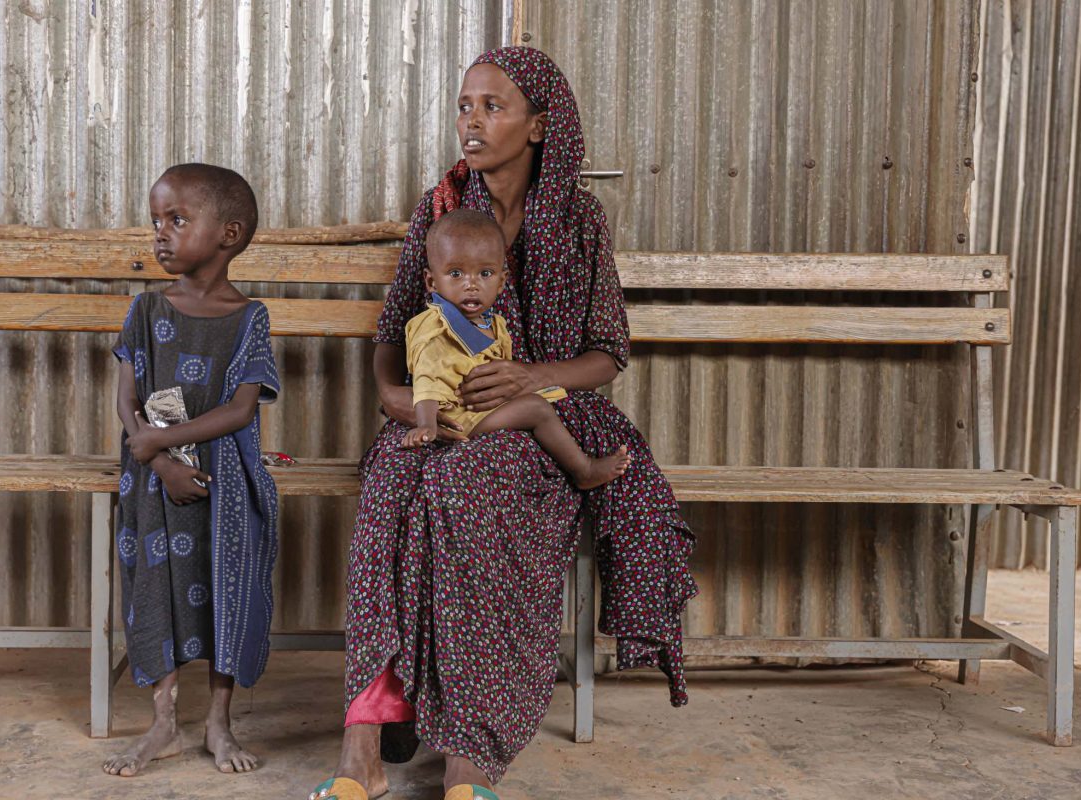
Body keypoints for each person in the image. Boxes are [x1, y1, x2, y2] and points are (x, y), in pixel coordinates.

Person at [310, 47, 698, 800]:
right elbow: (393, 331)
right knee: (394, 479)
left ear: (541, 124)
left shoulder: (578, 218)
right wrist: (393, 397)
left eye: (492, 106)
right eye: (464, 105)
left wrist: (535, 376)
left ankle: (471, 756)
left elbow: (607, 353)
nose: (472, 121)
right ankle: (362, 741)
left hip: (538, 419)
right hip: (438, 409)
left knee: (473, 486)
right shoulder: (441, 208)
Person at [101, 163, 280, 778]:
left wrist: (160, 445)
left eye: (177, 220)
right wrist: (150, 453)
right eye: (156, 221)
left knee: (224, 587)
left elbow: (238, 410)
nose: (160, 233)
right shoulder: (147, 310)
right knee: (157, 587)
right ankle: (163, 724)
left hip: (224, 479)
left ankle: (218, 722)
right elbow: (126, 395)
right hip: (153, 478)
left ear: (228, 234)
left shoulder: (250, 318)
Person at [400, 207, 631, 491]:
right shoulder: (435, 327)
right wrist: (426, 426)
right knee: (536, 409)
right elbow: (426, 378)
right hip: (457, 417)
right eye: (456, 273)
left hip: (482, 409)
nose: (471, 285)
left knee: (544, 404)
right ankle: (583, 469)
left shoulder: (493, 323)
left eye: (484, 273)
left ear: (501, 282)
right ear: (432, 282)